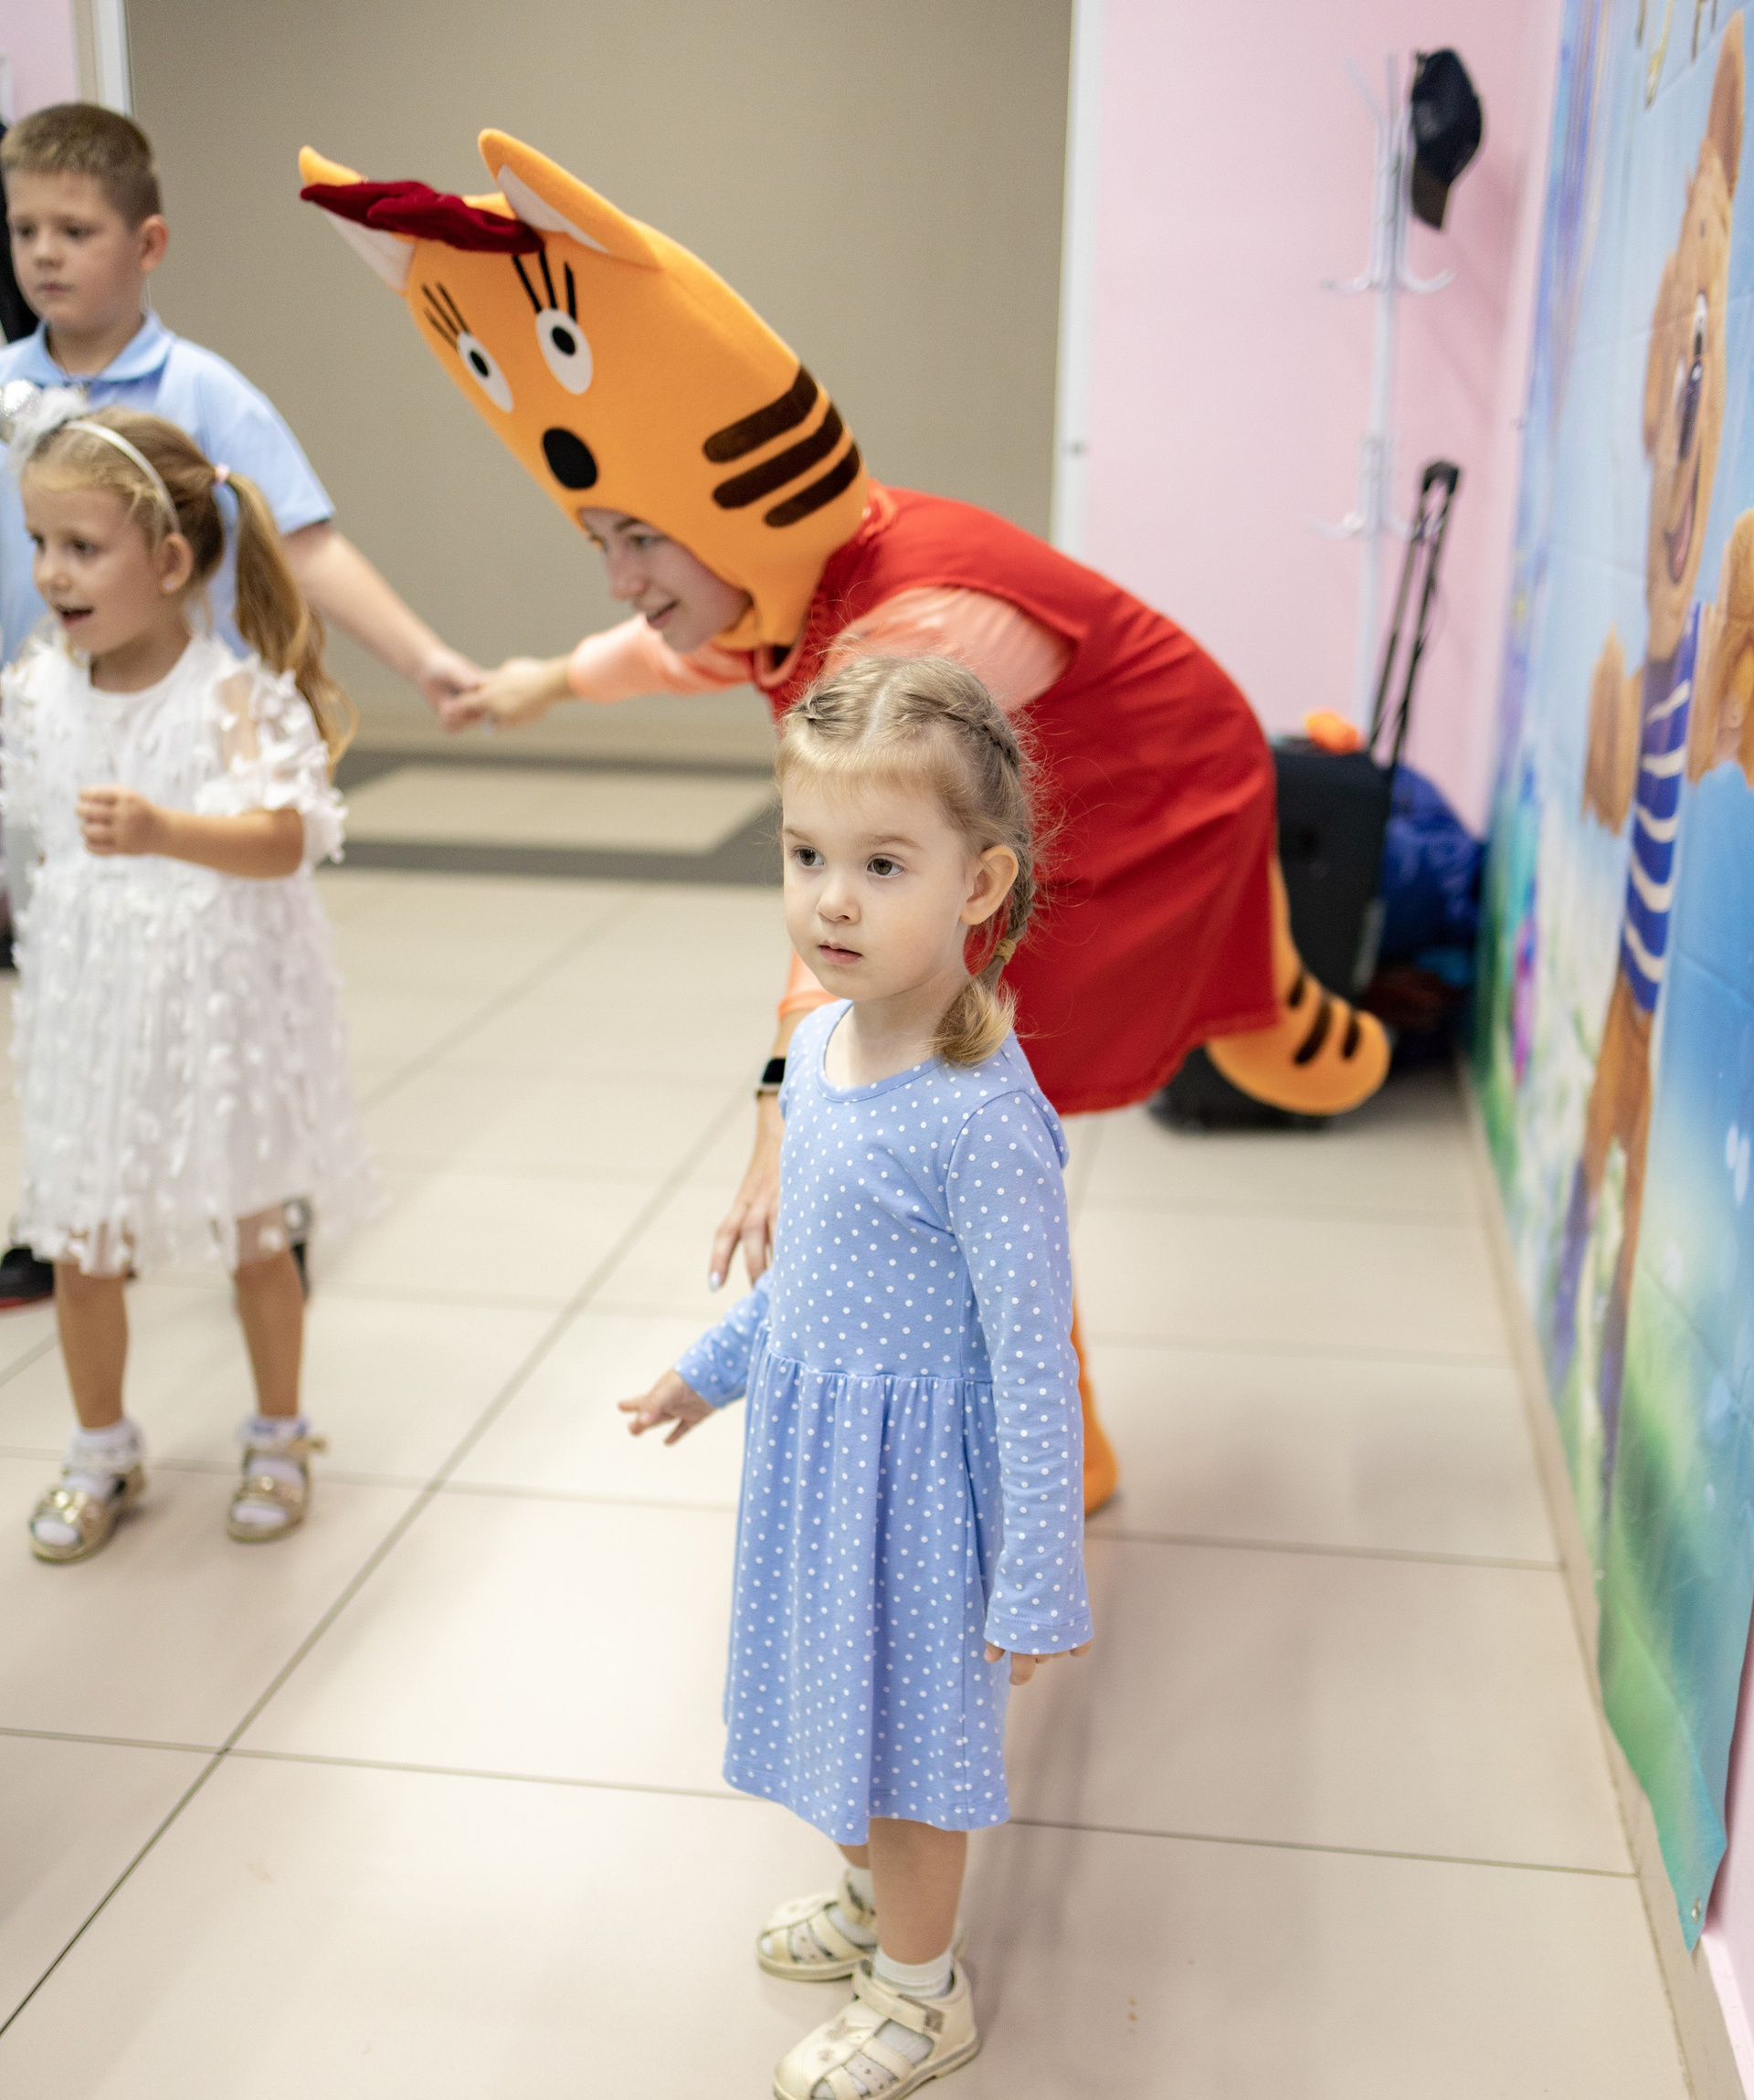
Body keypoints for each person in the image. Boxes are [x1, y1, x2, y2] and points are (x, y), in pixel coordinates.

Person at [291, 132, 1389, 1514]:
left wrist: (779, 1108)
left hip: (1155, 780)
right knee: (980, 1087)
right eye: (600, 541)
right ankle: (1088, 1414)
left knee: (1025, 1083)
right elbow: (684, 650)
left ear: (717, 508)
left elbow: (843, 913)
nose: (623, 576)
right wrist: (543, 683)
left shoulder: (904, 627)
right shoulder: (780, 579)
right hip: (1016, 800)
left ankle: (1290, 1052)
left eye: (641, 538)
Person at [619, 654, 1092, 2100]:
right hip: (823, 1470)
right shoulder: (819, 1049)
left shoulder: (981, 1118)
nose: (831, 899)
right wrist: (709, 1372)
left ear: (978, 883)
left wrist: (1037, 1578)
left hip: (923, 1502)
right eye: (806, 855)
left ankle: (920, 1990)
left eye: (882, 865)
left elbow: (1037, 1363)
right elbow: (808, 1282)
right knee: (840, 1709)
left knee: (911, 1759)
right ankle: (871, 1903)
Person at [0, 103, 480, 1307]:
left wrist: (425, 659)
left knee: (207, 980)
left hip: (182, 744)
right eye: (24, 230)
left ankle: (250, 1186)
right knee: (71, 974)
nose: (45, 253)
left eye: (75, 229)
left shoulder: (202, 391)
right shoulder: (3, 387)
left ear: (147, 244)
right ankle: (79, 1197)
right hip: (54, 736)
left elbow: (303, 544)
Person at [5, 404, 377, 1562]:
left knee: (254, 1236)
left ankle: (279, 1433)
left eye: (81, 547)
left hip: (215, 1012)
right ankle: (101, 1447)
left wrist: (166, 829)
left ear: (170, 562)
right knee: (82, 1241)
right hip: (92, 1007)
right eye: (38, 543)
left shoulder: (229, 695)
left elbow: (287, 837)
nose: (50, 573)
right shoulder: (40, 688)